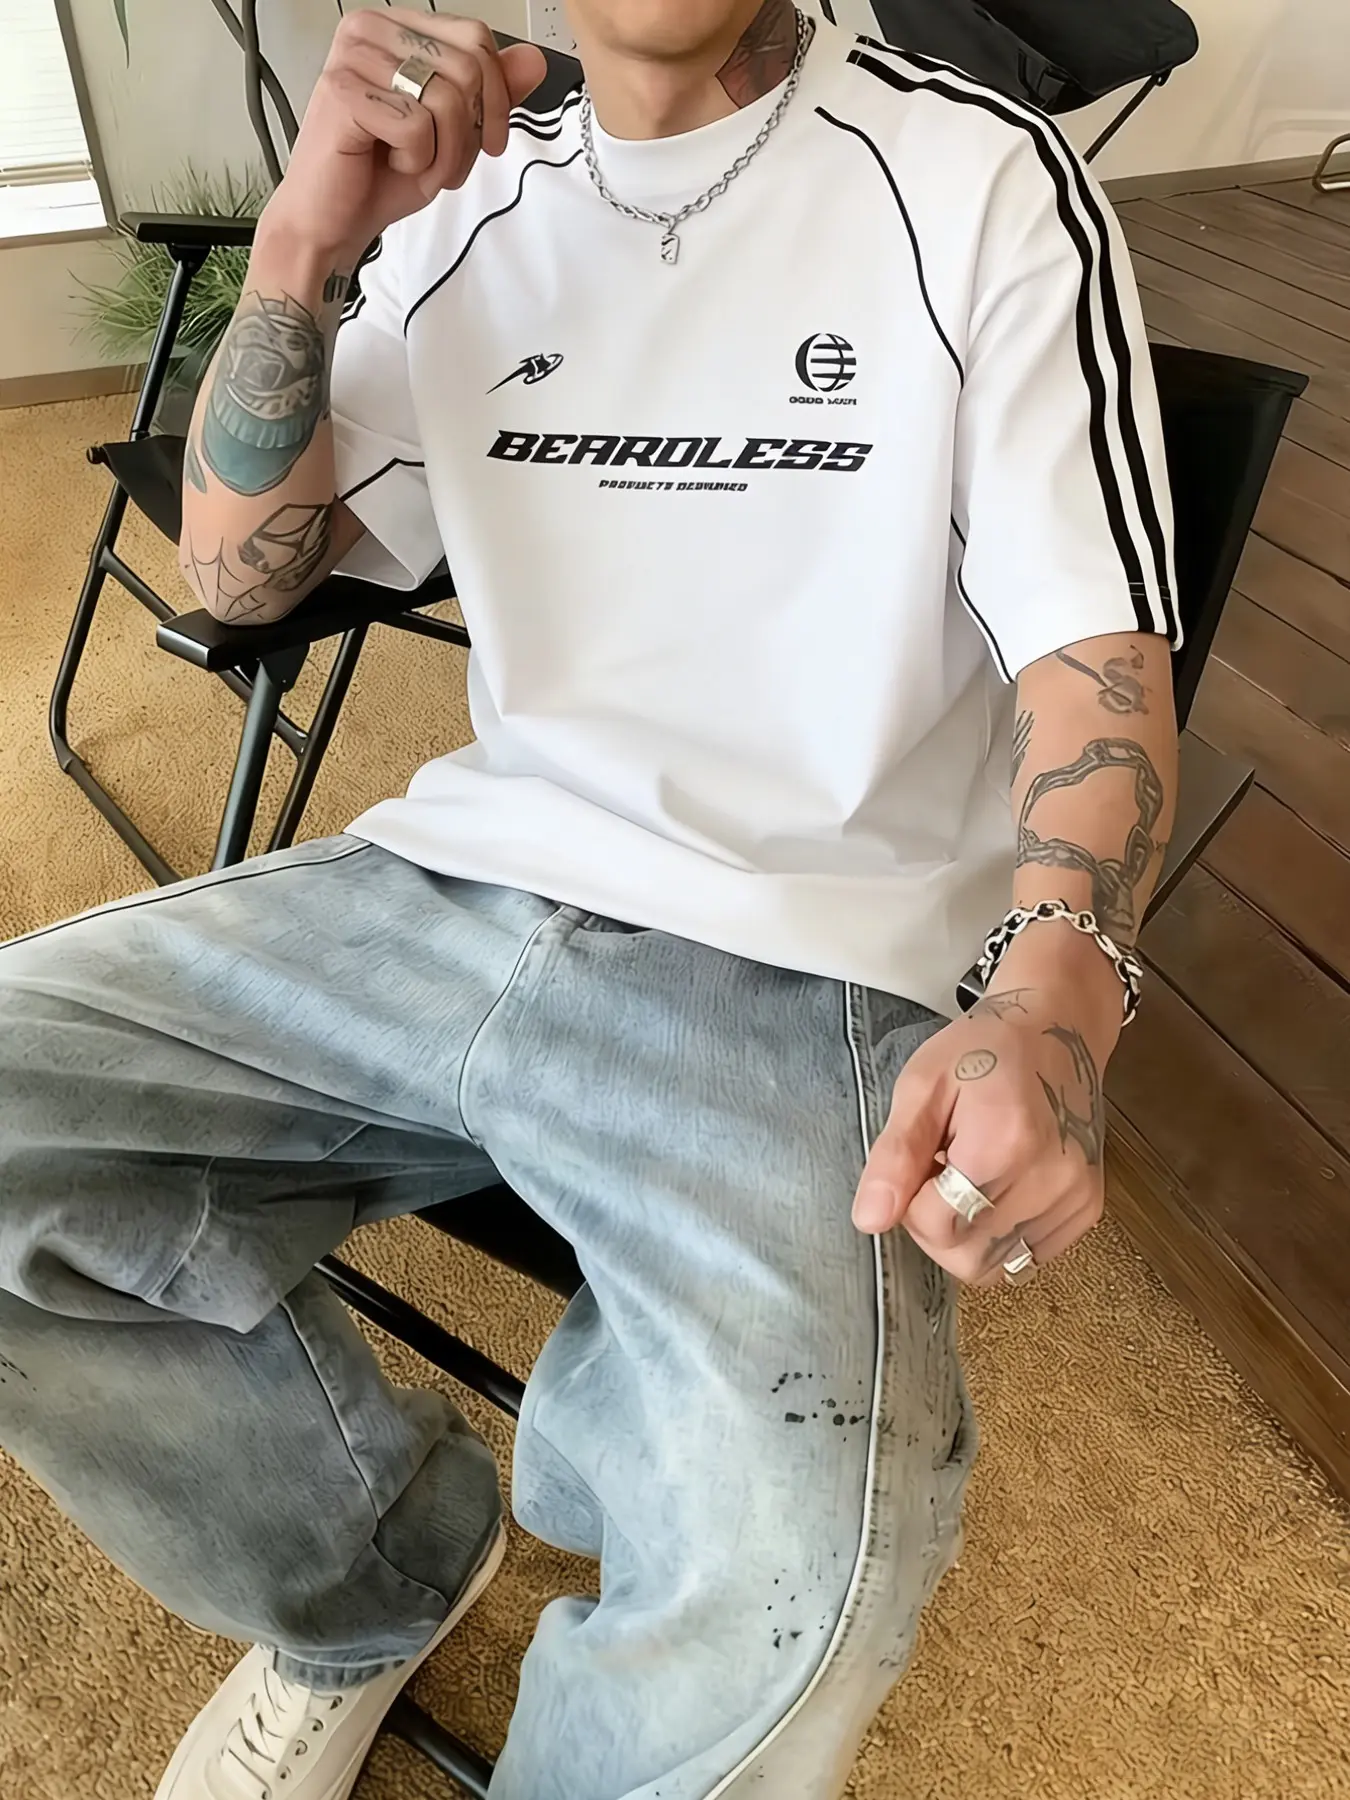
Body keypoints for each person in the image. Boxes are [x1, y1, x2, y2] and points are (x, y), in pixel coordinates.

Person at [0, 4, 1181, 1797]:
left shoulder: (972, 177)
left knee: (800, 1577)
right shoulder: (472, 201)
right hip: (456, 882)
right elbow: (240, 579)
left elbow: (1095, 659)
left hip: (804, 960)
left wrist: (1049, 996)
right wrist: (305, 242)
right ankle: (371, 1580)